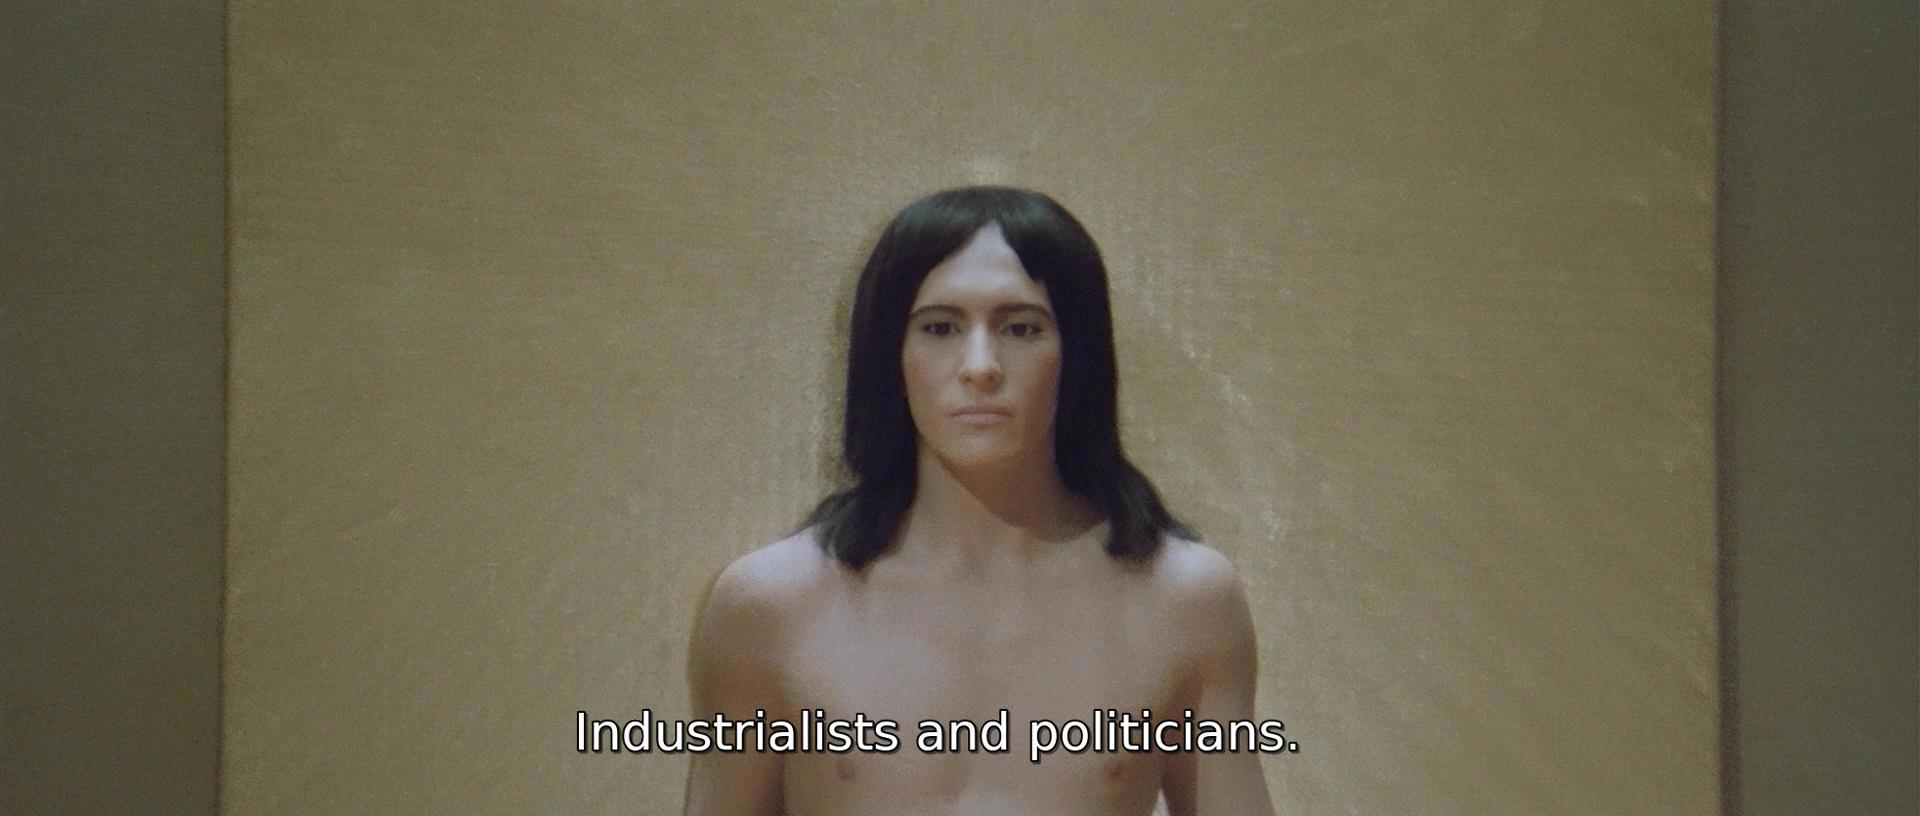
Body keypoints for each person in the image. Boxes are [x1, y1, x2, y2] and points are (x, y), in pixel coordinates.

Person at [684, 186, 1276, 815]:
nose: (981, 365)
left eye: (1020, 328)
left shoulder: (1183, 601)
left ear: (1076, 352)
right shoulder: (772, 605)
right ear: (890, 352)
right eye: (939, 327)